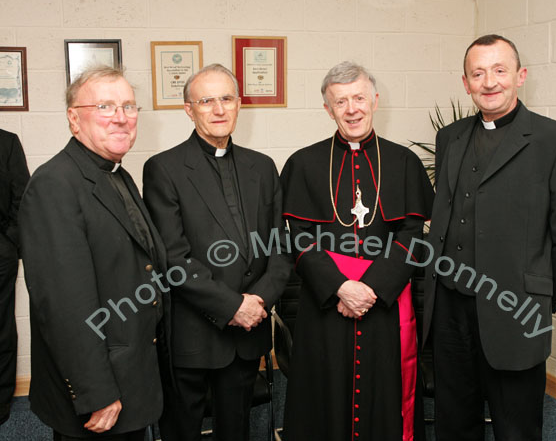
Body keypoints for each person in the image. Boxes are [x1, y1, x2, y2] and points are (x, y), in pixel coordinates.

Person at [422, 34, 556, 441]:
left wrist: (536, 296)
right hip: (449, 311)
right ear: (465, 83)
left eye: (500, 70)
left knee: (515, 428)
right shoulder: (450, 137)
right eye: (477, 73)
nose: (489, 82)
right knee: (454, 423)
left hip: (513, 311)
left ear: (520, 76)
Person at [281, 61, 434, 441]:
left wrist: (372, 287)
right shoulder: (304, 163)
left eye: (359, 98)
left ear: (375, 101)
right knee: (323, 398)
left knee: (384, 398)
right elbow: (299, 235)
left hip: (384, 303)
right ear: (327, 109)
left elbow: (413, 232)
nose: (352, 109)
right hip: (327, 304)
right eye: (341, 101)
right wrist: (340, 287)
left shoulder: (403, 161)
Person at [143, 63, 292, 441]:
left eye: (226, 98)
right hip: (193, 333)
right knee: (183, 431)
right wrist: (233, 307)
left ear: (239, 104)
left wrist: (258, 301)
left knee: (236, 430)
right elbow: (173, 259)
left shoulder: (263, 166)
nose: (219, 109)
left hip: (248, 332)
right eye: (206, 101)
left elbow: (278, 248)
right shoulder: (164, 168)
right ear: (188, 110)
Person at [19, 66, 169, 440]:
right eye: (105, 106)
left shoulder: (118, 175)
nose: (121, 117)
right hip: (99, 390)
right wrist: (96, 392)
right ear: (74, 118)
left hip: (131, 370)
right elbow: (64, 307)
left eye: (129, 107)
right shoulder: (55, 185)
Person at [0, 129, 29, 424]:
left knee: (1, 329)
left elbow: (22, 197)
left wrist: (7, 244)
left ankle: (1, 405)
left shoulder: (6, 142)